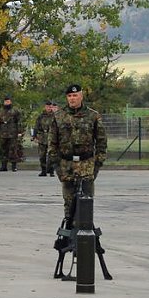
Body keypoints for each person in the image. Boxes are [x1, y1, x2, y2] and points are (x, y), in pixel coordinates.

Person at [48, 84, 107, 220]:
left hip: (86, 164)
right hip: (66, 164)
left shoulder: (93, 116)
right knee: (69, 204)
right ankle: (69, 229)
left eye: (75, 95)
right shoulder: (58, 116)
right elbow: (52, 144)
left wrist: (97, 164)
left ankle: (86, 231)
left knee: (86, 202)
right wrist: (57, 166)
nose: (72, 98)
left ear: (81, 96)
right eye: (69, 96)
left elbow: (101, 142)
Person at [0, 95, 22, 171]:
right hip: (3, 133)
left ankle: (14, 166)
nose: (7, 103)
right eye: (5, 101)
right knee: (4, 150)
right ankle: (4, 166)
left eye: (8, 101)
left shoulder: (15, 111)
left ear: (10, 102)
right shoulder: (0, 111)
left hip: (12, 133)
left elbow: (19, 121)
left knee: (13, 149)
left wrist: (19, 131)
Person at [34, 100, 56, 177]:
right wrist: (35, 136)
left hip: (52, 137)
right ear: (45, 107)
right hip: (42, 137)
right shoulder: (41, 116)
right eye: (47, 107)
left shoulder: (55, 116)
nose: (49, 108)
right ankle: (43, 170)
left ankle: (51, 170)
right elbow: (36, 126)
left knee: (51, 155)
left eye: (50, 107)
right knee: (42, 155)